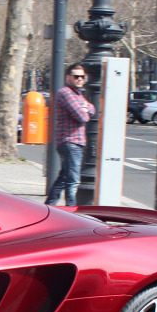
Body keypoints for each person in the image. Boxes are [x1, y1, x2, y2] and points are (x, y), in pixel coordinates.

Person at [45, 62, 96, 207]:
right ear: (68, 77)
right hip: (70, 141)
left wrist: (86, 108)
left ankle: (50, 206)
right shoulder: (66, 93)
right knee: (73, 180)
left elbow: (92, 108)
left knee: (63, 178)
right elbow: (83, 116)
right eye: (76, 76)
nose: (79, 79)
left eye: (82, 76)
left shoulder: (77, 94)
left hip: (74, 142)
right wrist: (85, 109)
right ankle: (71, 210)